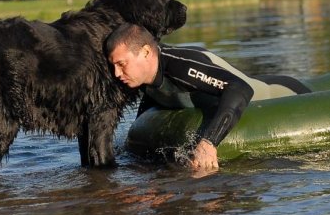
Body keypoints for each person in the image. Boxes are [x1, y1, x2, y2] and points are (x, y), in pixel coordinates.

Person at [106, 23, 257, 172]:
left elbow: (240, 87)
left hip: (262, 91)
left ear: (145, 52)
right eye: (114, 66)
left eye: (121, 64)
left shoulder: (180, 67)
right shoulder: (144, 80)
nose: (117, 73)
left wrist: (208, 143)